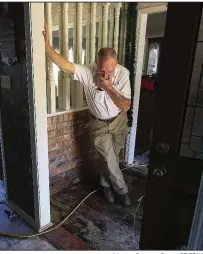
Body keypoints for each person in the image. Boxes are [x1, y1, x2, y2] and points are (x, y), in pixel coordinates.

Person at [43, 23, 132, 206]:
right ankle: (122, 191)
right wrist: (46, 45)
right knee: (109, 158)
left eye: (110, 69)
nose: (105, 72)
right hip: (98, 124)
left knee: (111, 159)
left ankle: (105, 184)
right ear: (96, 63)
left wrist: (108, 87)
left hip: (118, 121)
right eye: (102, 68)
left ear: (116, 64)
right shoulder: (88, 71)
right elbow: (64, 65)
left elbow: (125, 105)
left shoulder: (123, 74)